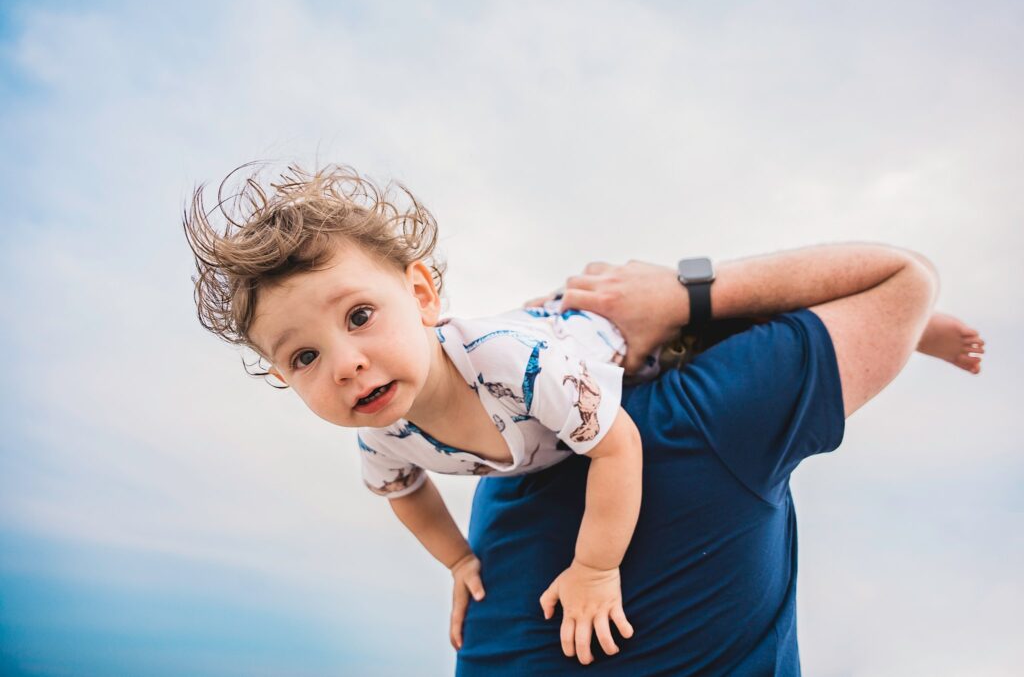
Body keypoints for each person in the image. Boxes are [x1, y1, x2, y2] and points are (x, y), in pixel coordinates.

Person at [182, 163, 984, 674]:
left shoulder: (545, 374)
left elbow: (619, 444)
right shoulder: (383, 428)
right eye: (303, 358)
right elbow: (403, 492)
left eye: (359, 317)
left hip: (581, 347)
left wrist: (597, 567)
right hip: (515, 388)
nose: (345, 363)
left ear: (422, 295)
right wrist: (459, 561)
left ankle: (922, 334)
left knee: (672, 344)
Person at [455, 250, 983, 675]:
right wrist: (688, 291)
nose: (552, 312)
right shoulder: (710, 414)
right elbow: (903, 279)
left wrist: (458, 560)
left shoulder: (504, 464)